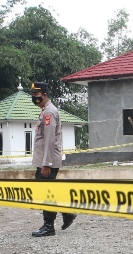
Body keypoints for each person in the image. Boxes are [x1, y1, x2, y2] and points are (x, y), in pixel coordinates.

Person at [29, 81, 75, 237]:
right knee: (49, 191)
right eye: (33, 94)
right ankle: (67, 212)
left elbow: (49, 139)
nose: (33, 97)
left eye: (36, 94)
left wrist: (46, 164)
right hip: (44, 160)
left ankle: (49, 226)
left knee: (46, 193)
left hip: (46, 161)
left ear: (44, 94)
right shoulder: (45, 111)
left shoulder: (49, 112)